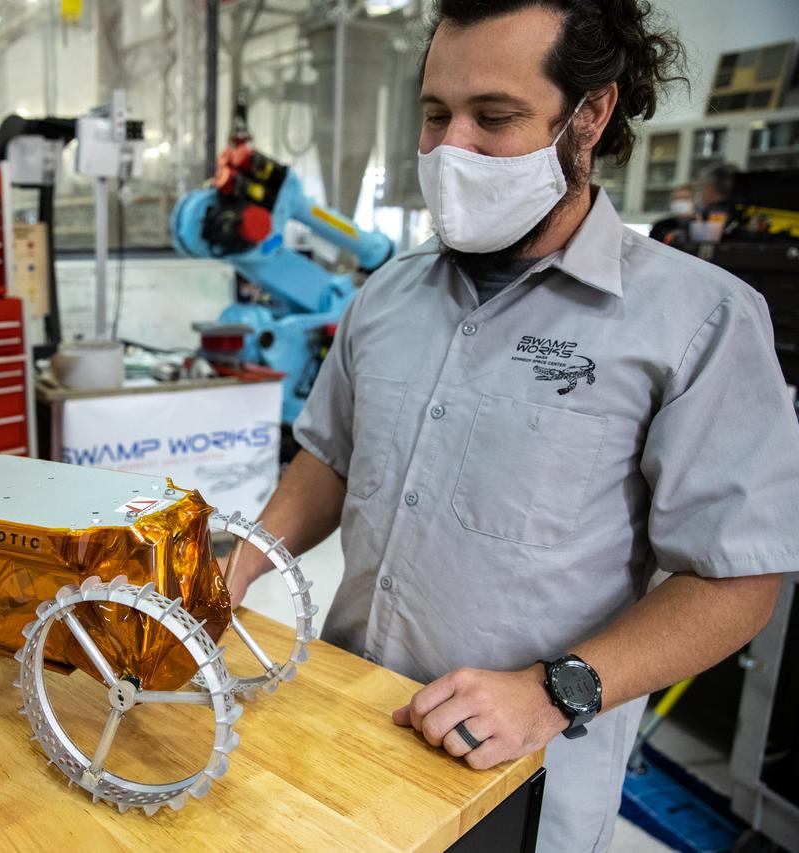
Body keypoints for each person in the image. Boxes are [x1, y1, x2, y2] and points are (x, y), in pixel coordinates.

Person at [221, 2, 799, 851]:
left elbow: (737, 578)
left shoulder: (698, 320)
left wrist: (553, 690)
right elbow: (331, 457)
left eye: (494, 118)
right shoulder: (388, 294)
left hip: (517, 780)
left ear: (589, 115)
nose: (453, 148)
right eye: (434, 115)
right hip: (340, 723)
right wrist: (239, 563)